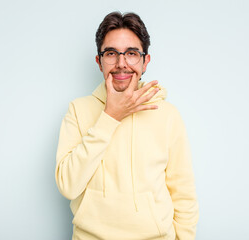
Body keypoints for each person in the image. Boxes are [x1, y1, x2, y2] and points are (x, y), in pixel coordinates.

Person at [55, 11, 199, 240]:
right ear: (99, 61)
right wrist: (110, 117)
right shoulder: (78, 110)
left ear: (145, 61)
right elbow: (68, 186)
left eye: (131, 53)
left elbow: (184, 195)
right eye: (111, 53)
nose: (121, 64)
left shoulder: (168, 115)